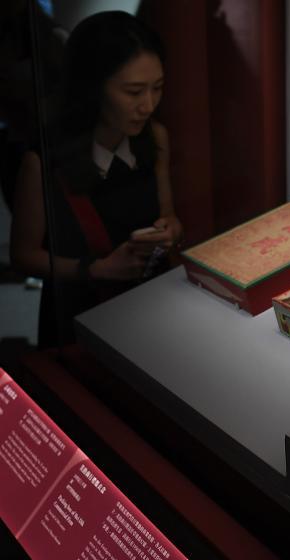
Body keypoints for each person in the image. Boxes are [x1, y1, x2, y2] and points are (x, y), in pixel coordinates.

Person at [10, 11, 182, 347]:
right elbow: (23, 255)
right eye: (133, 92)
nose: (148, 105)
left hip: (148, 306)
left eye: (157, 88)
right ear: (93, 89)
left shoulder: (155, 138)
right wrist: (95, 269)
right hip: (79, 314)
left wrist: (170, 231)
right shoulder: (43, 161)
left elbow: (169, 216)